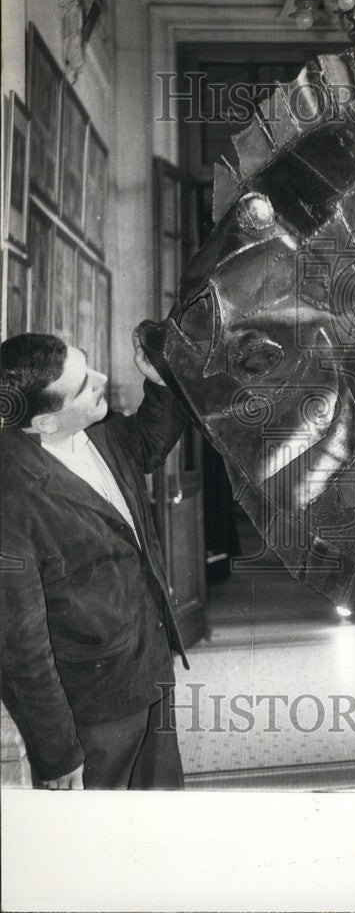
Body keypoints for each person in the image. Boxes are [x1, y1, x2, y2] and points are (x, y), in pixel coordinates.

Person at [0, 330, 189, 789]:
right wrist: (57, 754)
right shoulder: (12, 494)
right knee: (102, 828)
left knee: (162, 814)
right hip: (94, 712)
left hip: (148, 668)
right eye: (85, 384)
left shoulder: (97, 430)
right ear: (46, 422)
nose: (102, 379)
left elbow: (147, 442)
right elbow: (18, 644)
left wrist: (160, 382)